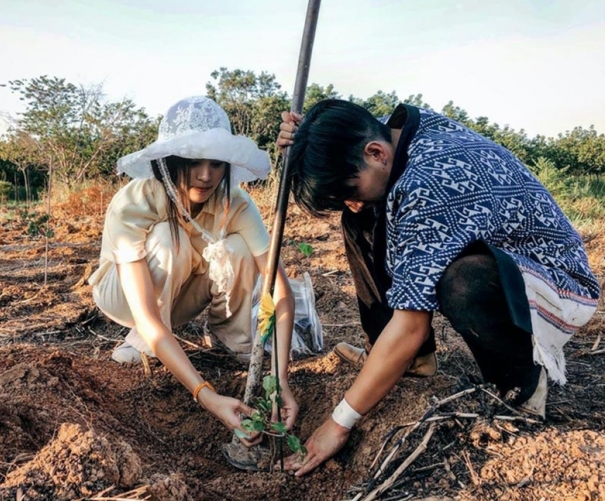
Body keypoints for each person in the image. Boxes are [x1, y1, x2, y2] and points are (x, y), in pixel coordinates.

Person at [276, 99, 600, 476]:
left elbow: (411, 324)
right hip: (506, 260)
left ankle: (521, 387)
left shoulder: (426, 183)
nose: (349, 199)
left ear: (376, 153)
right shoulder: (393, 132)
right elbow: (344, 131)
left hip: (554, 285)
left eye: (349, 187)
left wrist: (338, 423)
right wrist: (306, 139)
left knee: (463, 283)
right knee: (359, 216)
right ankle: (413, 363)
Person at [89, 96, 298, 443]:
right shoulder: (136, 201)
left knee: (238, 247)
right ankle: (143, 344)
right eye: (192, 162)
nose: (205, 176)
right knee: (170, 240)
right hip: (124, 297)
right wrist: (205, 394)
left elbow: (280, 290)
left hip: (181, 295)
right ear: (171, 160)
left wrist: (281, 380)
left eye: (216, 164)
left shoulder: (236, 203)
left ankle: (232, 339)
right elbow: (147, 314)